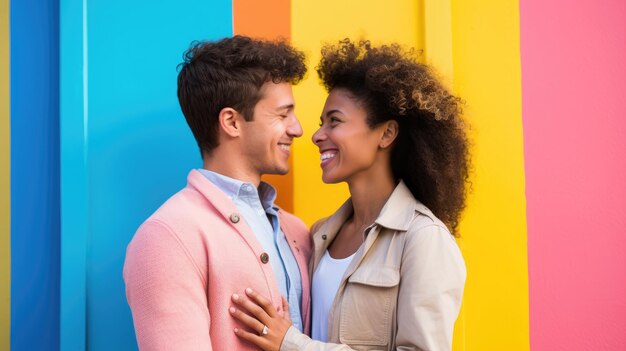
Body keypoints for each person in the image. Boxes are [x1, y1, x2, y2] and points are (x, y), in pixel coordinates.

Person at [229, 39, 469, 351]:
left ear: (386, 133)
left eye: (335, 121)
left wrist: (291, 344)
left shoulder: (423, 239)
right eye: (321, 123)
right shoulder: (318, 235)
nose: (316, 136)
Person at [123, 35, 313, 350]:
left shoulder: (297, 231)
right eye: (282, 115)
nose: (297, 129)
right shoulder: (166, 237)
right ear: (231, 122)